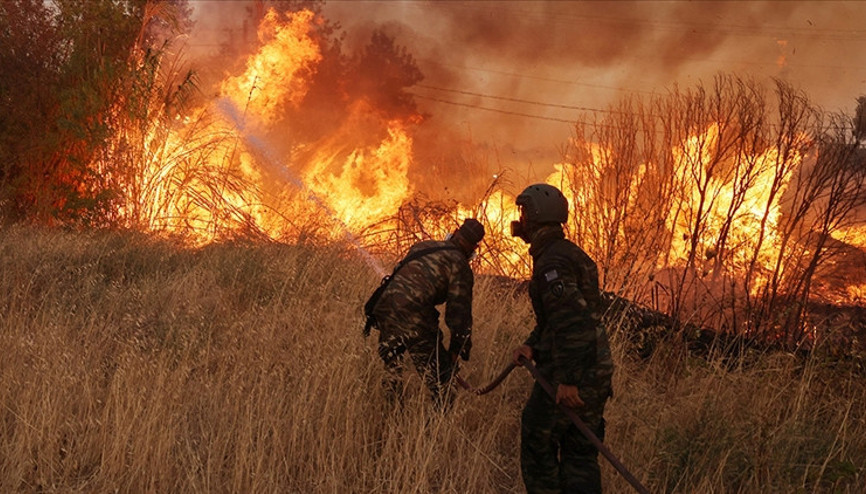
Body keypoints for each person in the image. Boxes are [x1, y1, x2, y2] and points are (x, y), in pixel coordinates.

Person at [509, 183, 614, 494]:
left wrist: (569, 380)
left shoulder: (551, 264)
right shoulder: (567, 253)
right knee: (579, 454)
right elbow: (557, 320)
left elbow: (573, 325)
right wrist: (532, 345)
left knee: (536, 439)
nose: (521, 219)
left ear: (536, 216)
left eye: (525, 213)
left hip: (574, 371)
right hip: (595, 367)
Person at [371, 218, 485, 409]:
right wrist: (456, 352)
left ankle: (392, 418)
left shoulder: (423, 246)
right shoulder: (460, 265)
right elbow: (459, 315)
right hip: (414, 318)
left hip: (385, 309)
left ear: (455, 232)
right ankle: (435, 427)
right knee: (443, 386)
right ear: (474, 247)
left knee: (392, 371)